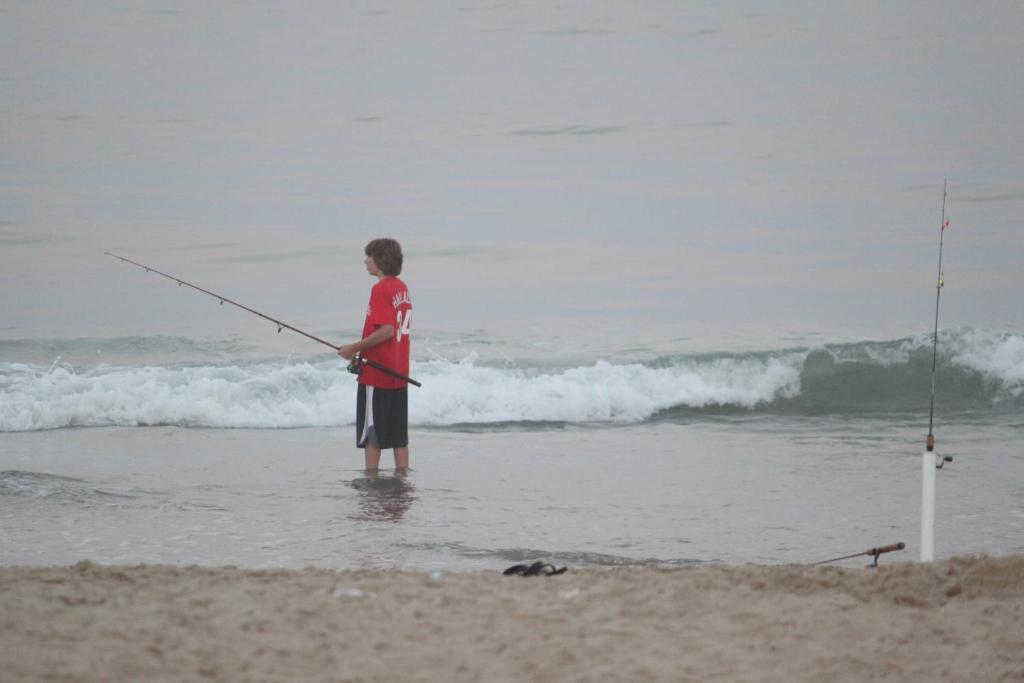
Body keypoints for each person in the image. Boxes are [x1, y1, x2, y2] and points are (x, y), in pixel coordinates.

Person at [339, 238, 412, 472]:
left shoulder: (380, 289)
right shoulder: (401, 287)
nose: (365, 261)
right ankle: (402, 481)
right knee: (399, 436)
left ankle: (371, 483)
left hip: (378, 374)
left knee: (373, 433)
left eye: (369, 256)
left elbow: (387, 330)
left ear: (379, 261)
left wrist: (354, 348)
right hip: (399, 372)